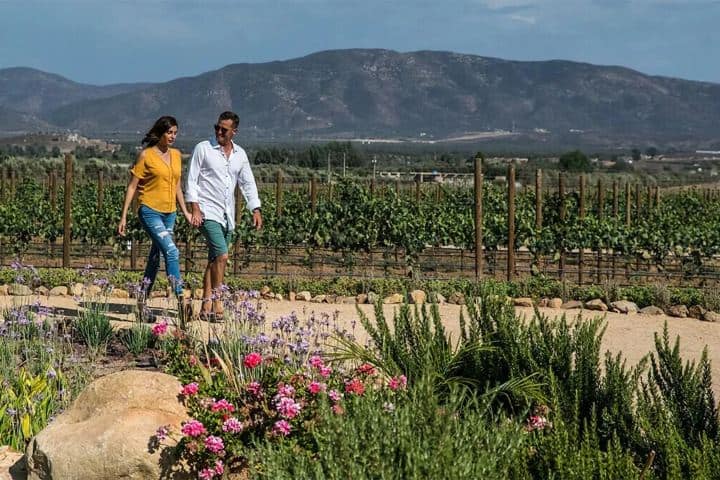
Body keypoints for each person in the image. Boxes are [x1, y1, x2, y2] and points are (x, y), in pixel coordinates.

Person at [185, 111, 262, 321]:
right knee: (222, 256)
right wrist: (195, 208)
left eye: (224, 129)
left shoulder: (240, 155)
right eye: (216, 127)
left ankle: (205, 306)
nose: (219, 132)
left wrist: (255, 208)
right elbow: (191, 180)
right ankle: (218, 301)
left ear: (234, 132)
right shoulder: (203, 149)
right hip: (207, 212)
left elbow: (247, 182)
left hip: (227, 214)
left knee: (214, 260)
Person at [118, 115, 193, 321]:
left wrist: (185, 211)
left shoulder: (177, 155)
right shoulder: (146, 156)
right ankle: (181, 300)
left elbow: (177, 185)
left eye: (175, 133)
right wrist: (124, 216)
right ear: (160, 133)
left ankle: (142, 303)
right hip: (149, 210)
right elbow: (133, 185)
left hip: (170, 213)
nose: (173, 137)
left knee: (155, 257)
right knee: (171, 250)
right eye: (169, 133)